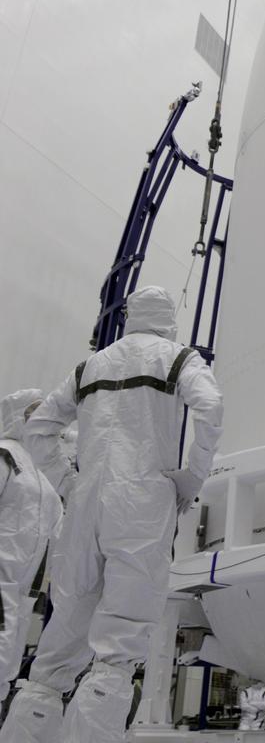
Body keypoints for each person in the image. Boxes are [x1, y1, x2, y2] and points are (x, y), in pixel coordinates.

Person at [0, 286, 223, 743]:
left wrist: (68, 482)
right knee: (118, 645)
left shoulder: (89, 367)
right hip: (142, 502)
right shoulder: (179, 359)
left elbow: (41, 426)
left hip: (86, 505)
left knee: (61, 640)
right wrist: (191, 477)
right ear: (167, 318)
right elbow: (210, 407)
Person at [0, 391, 63, 716]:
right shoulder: (5, 457)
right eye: (32, 413)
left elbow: (59, 533)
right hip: (2, 578)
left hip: (24, 592)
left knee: (8, 659)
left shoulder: (41, 475)